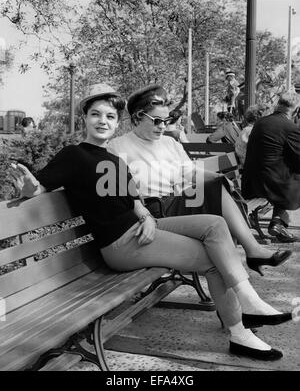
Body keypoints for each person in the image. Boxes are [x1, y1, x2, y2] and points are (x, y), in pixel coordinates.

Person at [11, 83, 292, 361]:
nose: (102, 121)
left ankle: (249, 301)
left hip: (141, 229)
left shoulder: (112, 157)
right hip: (120, 244)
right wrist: (28, 188)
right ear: (84, 116)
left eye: (109, 116)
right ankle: (240, 331)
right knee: (213, 261)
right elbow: (38, 188)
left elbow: (132, 199)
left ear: (116, 121)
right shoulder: (73, 155)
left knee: (216, 225)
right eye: (95, 114)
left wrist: (145, 217)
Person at [108, 84, 290, 277]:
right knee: (218, 212)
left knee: (219, 186)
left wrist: (219, 178)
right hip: (152, 211)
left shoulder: (169, 143)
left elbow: (192, 173)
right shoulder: (117, 147)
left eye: (166, 120)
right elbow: (118, 193)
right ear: (138, 117)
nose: (162, 126)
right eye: (157, 121)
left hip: (173, 203)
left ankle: (250, 252)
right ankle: (248, 255)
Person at [242, 91, 300, 243]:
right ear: (295, 109)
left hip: (251, 180)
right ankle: (278, 222)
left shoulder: (261, 122)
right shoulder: (290, 127)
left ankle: (277, 223)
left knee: (290, 176)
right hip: (271, 182)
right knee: (295, 178)